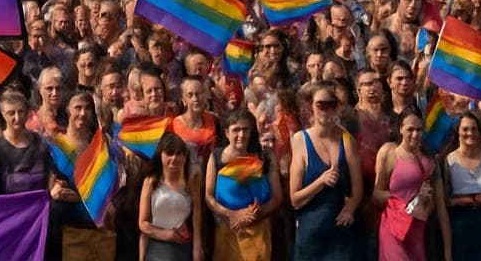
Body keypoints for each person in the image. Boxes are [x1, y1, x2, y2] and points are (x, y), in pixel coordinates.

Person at [288, 81, 362, 261]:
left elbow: (357, 188)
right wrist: (320, 181)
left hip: (339, 233)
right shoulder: (300, 139)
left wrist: (350, 209)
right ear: (311, 107)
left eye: (331, 105)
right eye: (321, 104)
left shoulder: (346, 139)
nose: (326, 110)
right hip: (310, 232)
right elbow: (295, 199)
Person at [204, 108, 280, 261]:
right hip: (227, 231)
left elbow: (277, 198)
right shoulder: (217, 157)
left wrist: (254, 215)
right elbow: (209, 196)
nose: (241, 135)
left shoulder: (265, 157)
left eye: (245, 129)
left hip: (258, 234)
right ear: (227, 132)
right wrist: (232, 215)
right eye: (236, 130)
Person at [372, 111, 444, 261]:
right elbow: (376, 194)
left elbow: (431, 208)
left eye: (419, 129)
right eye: (410, 129)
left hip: (416, 230)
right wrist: (400, 202)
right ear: (400, 129)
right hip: (392, 229)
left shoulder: (428, 162)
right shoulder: (389, 153)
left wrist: (423, 200)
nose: (415, 134)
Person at [441, 111, 481, 261]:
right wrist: (469, 200)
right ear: (458, 131)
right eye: (465, 129)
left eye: (474, 129)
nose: (470, 133)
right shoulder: (448, 160)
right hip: (460, 222)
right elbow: (444, 200)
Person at [138, 131, 201, 261]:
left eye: (178, 154)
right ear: (161, 155)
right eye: (169, 153)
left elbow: (196, 218)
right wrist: (168, 235)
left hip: (182, 246)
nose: (174, 158)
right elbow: (143, 224)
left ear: (184, 157)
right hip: (156, 246)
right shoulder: (151, 182)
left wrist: (197, 248)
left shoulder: (191, 183)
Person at [0, 89, 48, 195]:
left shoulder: (40, 142)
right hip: (6, 207)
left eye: (21, 111)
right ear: (3, 115)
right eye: (11, 113)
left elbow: (48, 176)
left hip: (36, 206)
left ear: (27, 112)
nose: (17, 117)